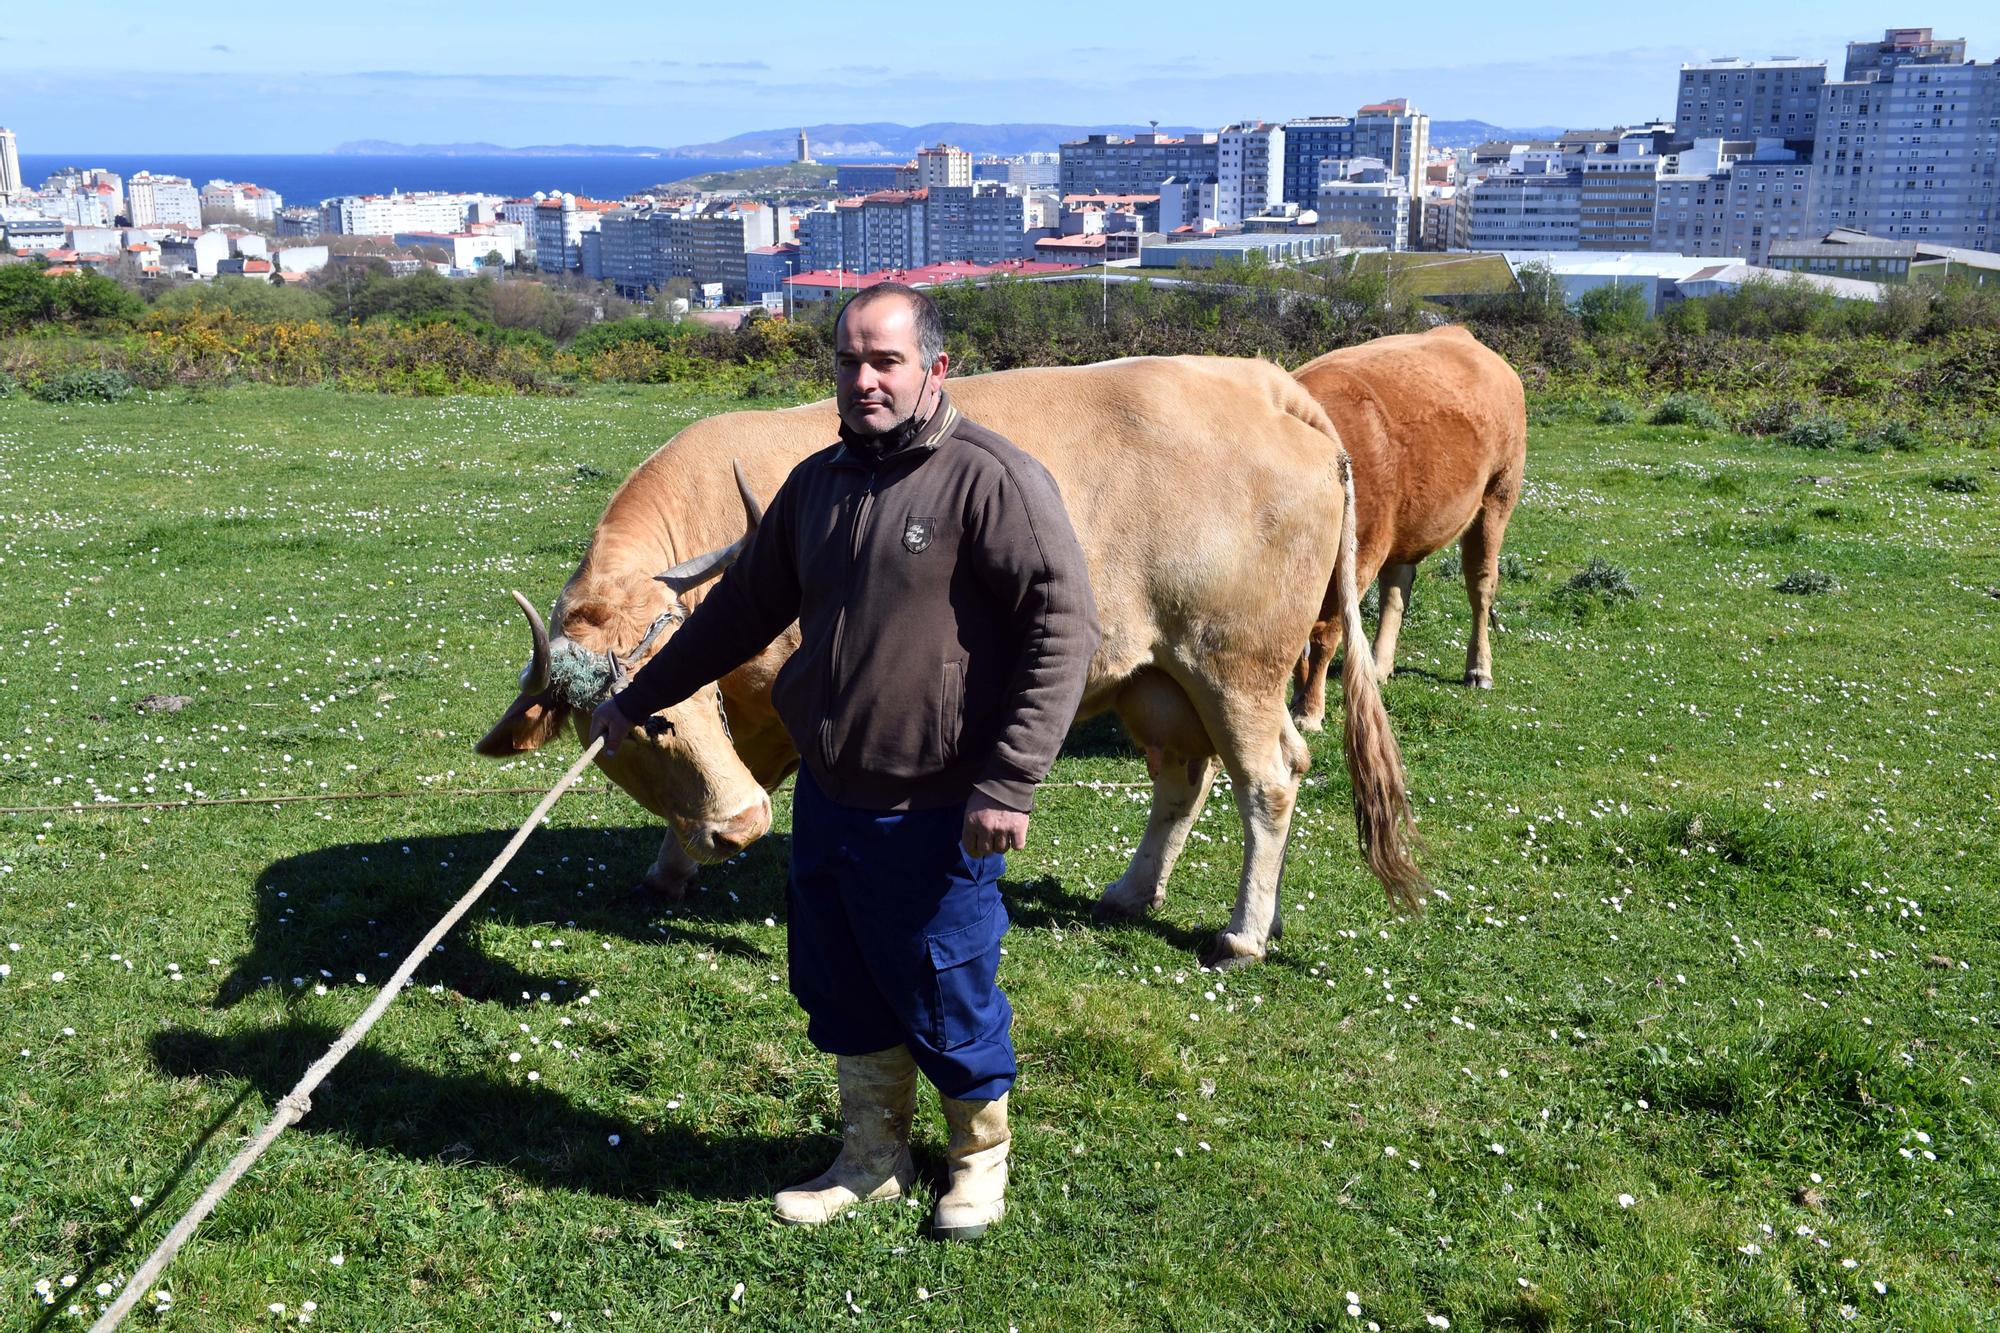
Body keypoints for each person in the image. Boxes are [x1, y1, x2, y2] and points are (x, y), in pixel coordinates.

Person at [588, 283, 1099, 1240]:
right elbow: (738, 614)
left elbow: (1064, 627)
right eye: (849, 361)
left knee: (946, 980)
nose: (864, 379)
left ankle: (977, 1157)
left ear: (933, 369)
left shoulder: (990, 480)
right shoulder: (817, 485)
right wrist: (636, 696)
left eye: (886, 361)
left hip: (940, 799)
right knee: (842, 978)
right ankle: (870, 1158)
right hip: (831, 794)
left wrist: (1012, 778)